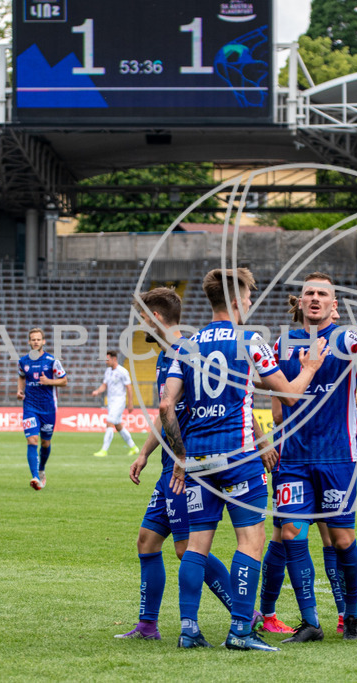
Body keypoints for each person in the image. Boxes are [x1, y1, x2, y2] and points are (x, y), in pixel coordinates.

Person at [161, 267, 326, 652]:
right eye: (249, 297)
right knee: (250, 542)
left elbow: (167, 405)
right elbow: (289, 396)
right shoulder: (250, 339)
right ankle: (239, 630)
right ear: (236, 301)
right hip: (238, 457)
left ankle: (189, 629)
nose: (251, 303)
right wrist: (310, 369)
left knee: (197, 545)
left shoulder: (185, 344)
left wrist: (182, 456)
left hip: (199, 460)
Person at [267, 274, 357, 643]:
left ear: (333, 305)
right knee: (292, 533)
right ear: (300, 302)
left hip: (338, 457)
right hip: (293, 458)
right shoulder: (283, 343)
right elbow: (277, 407)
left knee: (342, 540)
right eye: (308, 293)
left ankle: (352, 616)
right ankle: (310, 622)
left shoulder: (347, 337)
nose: (314, 298)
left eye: (322, 294)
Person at [116, 287, 236, 640]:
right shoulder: (164, 356)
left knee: (186, 548)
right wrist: (144, 452)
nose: (140, 325)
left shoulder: (188, 351)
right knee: (147, 541)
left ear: (156, 318)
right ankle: (147, 625)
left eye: (142, 318)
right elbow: (165, 412)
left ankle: (247, 611)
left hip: (187, 467)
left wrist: (181, 458)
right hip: (171, 465)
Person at [16, 328, 67, 490]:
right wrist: (19, 390)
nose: (36, 342)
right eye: (33, 339)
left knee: (45, 443)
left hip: (48, 408)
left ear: (43, 341)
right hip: (30, 406)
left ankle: (41, 469)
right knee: (32, 440)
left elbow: (64, 380)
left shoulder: (52, 361)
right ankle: (35, 477)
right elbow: (21, 376)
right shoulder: (23, 361)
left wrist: (49, 382)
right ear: (29, 342)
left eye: (38, 339)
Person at [91, 350, 139, 458]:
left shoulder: (122, 371)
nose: (106, 362)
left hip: (119, 401)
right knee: (118, 426)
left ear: (114, 359)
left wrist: (130, 403)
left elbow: (129, 387)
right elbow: (104, 385)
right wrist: (97, 391)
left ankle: (104, 450)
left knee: (109, 422)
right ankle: (133, 447)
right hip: (111, 401)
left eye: (108, 359)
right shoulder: (108, 371)